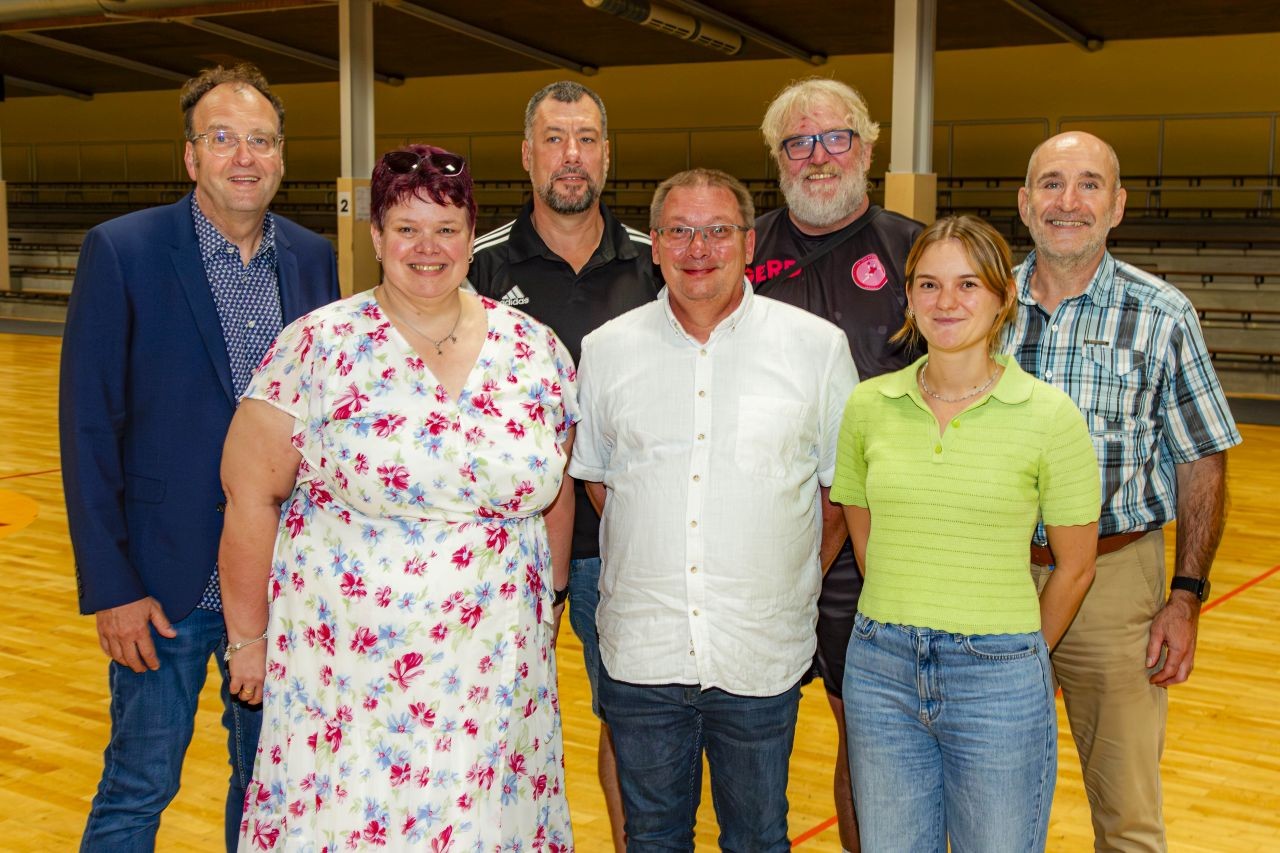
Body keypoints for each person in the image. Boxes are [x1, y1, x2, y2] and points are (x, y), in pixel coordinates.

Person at [218, 145, 577, 850]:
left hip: (495, 670)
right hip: (353, 676)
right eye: (406, 228)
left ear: (472, 235)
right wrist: (249, 642)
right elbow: (249, 495)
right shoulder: (319, 345)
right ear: (376, 236)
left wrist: (552, 602)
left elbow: (554, 488)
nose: (427, 247)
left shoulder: (534, 347)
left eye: (446, 227)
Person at [58, 63, 338, 851]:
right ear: (191, 157)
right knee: (138, 786)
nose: (243, 157)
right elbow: (88, 428)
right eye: (223, 140)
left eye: (260, 141)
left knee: (269, 790)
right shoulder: (122, 250)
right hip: (164, 583)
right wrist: (112, 586)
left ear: (282, 157)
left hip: (281, 582)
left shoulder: (313, 260)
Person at [569, 168, 857, 850]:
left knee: (757, 837)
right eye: (680, 231)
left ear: (748, 243)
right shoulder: (606, 351)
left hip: (760, 652)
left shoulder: (816, 349)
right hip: (644, 649)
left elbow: (838, 490)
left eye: (718, 231)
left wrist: (786, 575)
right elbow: (603, 481)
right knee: (654, 837)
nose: (699, 248)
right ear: (657, 247)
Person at [832, 214, 1101, 852]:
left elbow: (1076, 565)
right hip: (880, 669)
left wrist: (1017, 655)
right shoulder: (868, 406)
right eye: (928, 285)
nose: (946, 302)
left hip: (999, 678)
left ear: (1003, 296)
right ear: (908, 297)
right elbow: (866, 536)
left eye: (967, 285)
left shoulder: (1049, 416)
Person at [1005, 131, 1242, 852]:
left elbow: (1202, 460)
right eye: (1050, 183)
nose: (1067, 201)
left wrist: (1186, 594)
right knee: (991, 797)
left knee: (1128, 813)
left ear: (1117, 206)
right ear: (1023, 203)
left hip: (1115, 579)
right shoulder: (981, 305)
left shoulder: (1163, 313)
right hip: (996, 577)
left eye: (1088, 184)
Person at [470, 80, 657, 851]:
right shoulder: (477, 268)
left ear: (608, 155)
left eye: (585, 139)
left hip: (630, 542)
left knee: (632, 722)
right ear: (526, 154)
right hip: (511, 547)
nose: (570, 155)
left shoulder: (657, 263)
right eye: (554, 138)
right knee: (498, 715)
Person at [750, 76, 922, 853]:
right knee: (752, 729)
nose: (818, 157)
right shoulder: (739, 248)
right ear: (777, 158)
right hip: (757, 540)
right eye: (798, 142)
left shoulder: (918, 250)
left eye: (835, 137)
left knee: (872, 737)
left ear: (868, 145)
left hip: (874, 547)